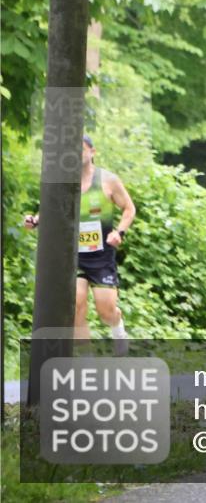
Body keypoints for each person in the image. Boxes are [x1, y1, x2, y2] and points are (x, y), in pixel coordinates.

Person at [23, 135, 136, 353]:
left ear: (92, 152)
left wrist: (119, 232)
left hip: (101, 257)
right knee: (76, 306)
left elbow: (129, 209)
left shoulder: (108, 180)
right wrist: (34, 221)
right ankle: (86, 358)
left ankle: (118, 328)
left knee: (106, 310)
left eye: (82, 149)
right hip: (74, 257)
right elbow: (48, 210)